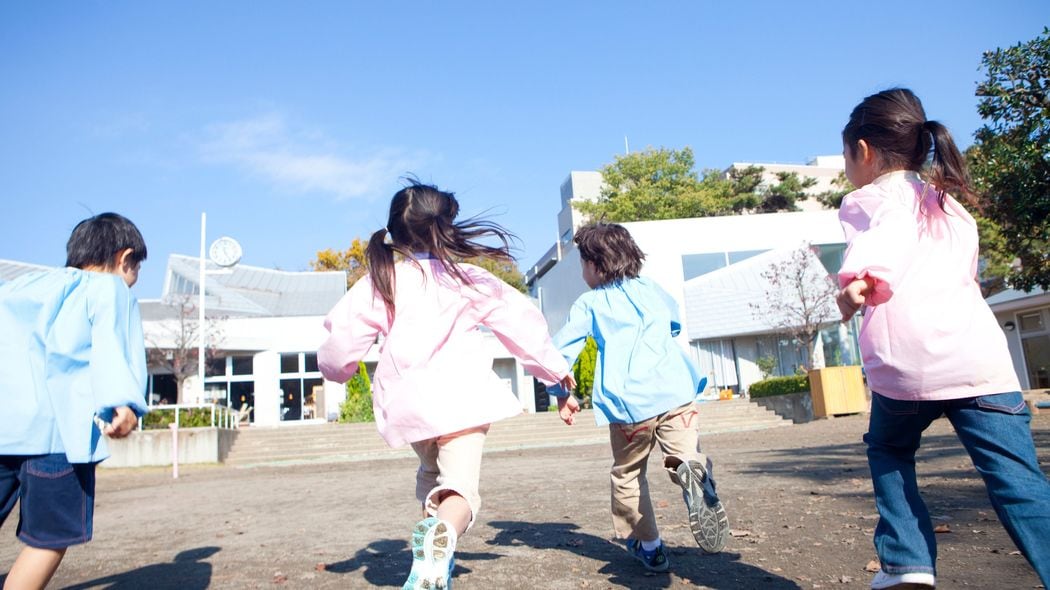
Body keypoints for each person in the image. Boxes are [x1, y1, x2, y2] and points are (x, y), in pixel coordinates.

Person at [836, 88, 1050, 590]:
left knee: (889, 450)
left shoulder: (877, 198)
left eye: (847, 156)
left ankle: (906, 561)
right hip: (980, 364)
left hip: (906, 368)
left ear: (863, 152)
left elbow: (890, 235)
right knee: (1018, 483)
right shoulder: (953, 206)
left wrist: (861, 280)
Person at [317, 180, 575, 590]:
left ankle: (432, 567)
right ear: (446, 227)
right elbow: (520, 324)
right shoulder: (467, 278)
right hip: (462, 401)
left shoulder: (381, 280)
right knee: (460, 493)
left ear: (395, 233)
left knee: (430, 477)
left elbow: (341, 344)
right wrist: (555, 372)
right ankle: (443, 539)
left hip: (411, 406)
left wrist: (334, 370)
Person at [548, 222, 729, 573]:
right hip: (677, 391)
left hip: (630, 404)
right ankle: (691, 468)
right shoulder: (651, 288)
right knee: (684, 451)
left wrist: (560, 393)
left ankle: (651, 547)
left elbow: (559, 353)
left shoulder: (590, 302)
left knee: (628, 474)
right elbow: (672, 324)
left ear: (596, 265)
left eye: (583, 264)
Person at [0, 212, 149, 590]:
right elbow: (110, 347)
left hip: (5, 429)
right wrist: (125, 404)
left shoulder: (18, 288)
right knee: (48, 537)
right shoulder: (108, 289)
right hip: (59, 437)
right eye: (136, 270)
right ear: (123, 258)